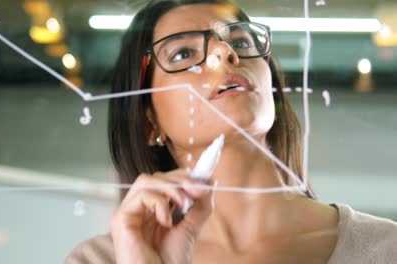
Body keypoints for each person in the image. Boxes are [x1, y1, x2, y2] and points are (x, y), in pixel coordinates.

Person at [66, 0, 397, 263]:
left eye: (239, 40)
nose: (225, 53)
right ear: (149, 123)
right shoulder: (102, 261)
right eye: (182, 53)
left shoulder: (386, 250)